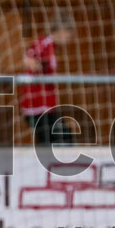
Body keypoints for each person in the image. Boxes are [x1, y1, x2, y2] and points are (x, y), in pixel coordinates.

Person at [20, 11, 76, 145]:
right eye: (70, 34)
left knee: (56, 141)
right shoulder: (45, 43)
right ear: (63, 30)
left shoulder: (51, 46)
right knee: (64, 140)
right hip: (38, 107)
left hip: (46, 107)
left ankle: (51, 165)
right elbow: (28, 58)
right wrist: (31, 63)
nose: (70, 38)